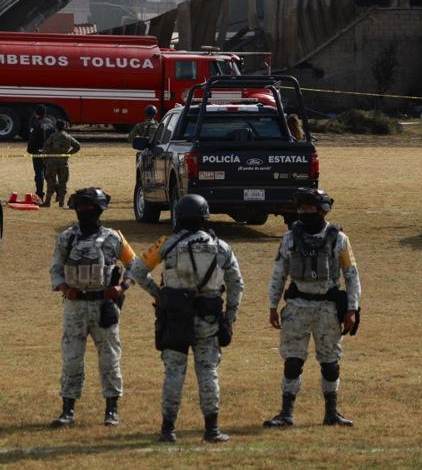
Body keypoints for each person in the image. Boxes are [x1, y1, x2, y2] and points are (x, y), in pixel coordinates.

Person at [129, 194, 244, 444]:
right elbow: (237, 284)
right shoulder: (221, 246)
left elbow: (137, 271)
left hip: (175, 318)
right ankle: (212, 430)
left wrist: (159, 295)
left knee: (173, 372)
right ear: (205, 216)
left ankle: (168, 430)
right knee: (208, 372)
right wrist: (229, 318)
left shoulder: (166, 244)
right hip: (208, 319)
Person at [263, 188, 361, 429]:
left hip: (328, 310)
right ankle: (286, 413)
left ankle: (332, 413)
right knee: (292, 362)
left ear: (322, 211)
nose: (303, 213)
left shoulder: (340, 239)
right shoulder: (289, 239)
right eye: (300, 208)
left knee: (330, 363)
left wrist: (352, 308)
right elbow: (279, 273)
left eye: (308, 208)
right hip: (297, 309)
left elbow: (351, 276)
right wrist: (273, 305)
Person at [49, 188, 136, 428]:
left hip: (103, 306)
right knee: (71, 358)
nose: (84, 212)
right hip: (75, 306)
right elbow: (56, 268)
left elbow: (134, 266)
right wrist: (64, 288)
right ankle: (68, 409)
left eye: (88, 208)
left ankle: (112, 409)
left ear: (99, 210)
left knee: (109, 359)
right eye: (80, 208)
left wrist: (122, 287)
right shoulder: (67, 238)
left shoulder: (114, 238)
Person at [41, 120, 81, 207]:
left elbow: (45, 149)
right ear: (64, 127)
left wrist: (45, 160)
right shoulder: (68, 137)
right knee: (63, 183)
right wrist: (68, 154)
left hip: (52, 162)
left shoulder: (52, 136)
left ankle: (48, 202)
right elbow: (77, 146)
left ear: (56, 127)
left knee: (51, 182)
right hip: (63, 162)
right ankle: (61, 202)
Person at [27, 106, 56, 197]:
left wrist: (30, 150)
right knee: (49, 173)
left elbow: (32, 139)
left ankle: (39, 194)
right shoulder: (52, 123)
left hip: (38, 152)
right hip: (50, 152)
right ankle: (58, 190)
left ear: (36, 113)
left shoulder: (36, 124)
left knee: (39, 173)